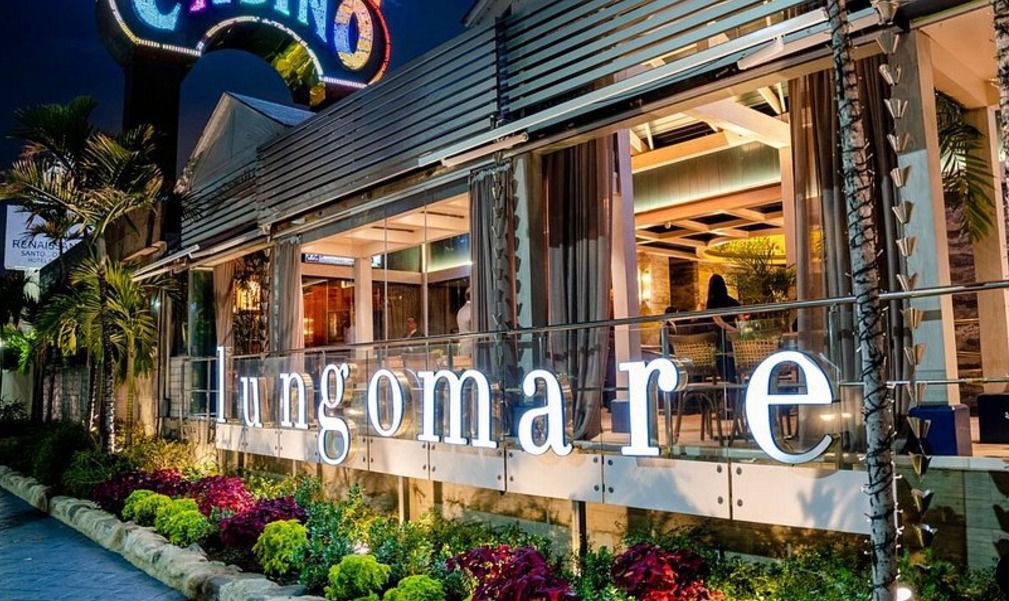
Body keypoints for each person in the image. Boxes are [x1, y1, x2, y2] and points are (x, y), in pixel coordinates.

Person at [704, 274, 740, 382]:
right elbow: (742, 317)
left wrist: (729, 329)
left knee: (722, 358)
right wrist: (737, 330)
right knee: (733, 357)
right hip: (734, 335)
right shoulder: (732, 301)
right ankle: (734, 382)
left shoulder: (712, 302)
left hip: (720, 335)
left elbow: (719, 322)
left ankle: (727, 382)